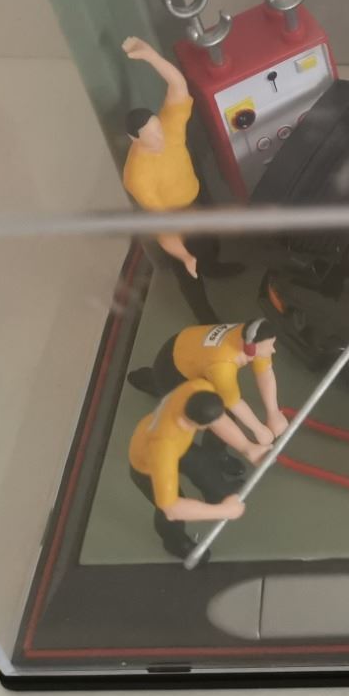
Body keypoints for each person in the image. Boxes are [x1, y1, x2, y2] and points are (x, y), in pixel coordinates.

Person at [120, 35, 238, 323]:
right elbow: (163, 229)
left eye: (158, 129)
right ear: (134, 140)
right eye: (151, 136)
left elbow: (178, 86)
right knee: (189, 273)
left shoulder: (168, 128)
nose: (160, 138)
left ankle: (213, 266)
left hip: (196, 196)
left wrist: (151, 56)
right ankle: (204, 315)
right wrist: (184, 255)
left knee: (209, 243)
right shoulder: (137, 176)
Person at [127, 380, 270, 560]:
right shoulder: (163, 446)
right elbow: (172, 508)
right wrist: (224, 511)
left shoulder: (198, 389)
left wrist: (248, 448)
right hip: (147, 465)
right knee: (169, 510)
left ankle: (218, 495)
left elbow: (218, 420)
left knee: (203, 464)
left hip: (180, 444)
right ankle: (175, 542)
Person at [127, 318, 289, 444]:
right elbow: (233, 402)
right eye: (270, 346)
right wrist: (259, 430)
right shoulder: (223, 364)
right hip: (173, 371)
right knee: (216, 410)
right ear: (250, 349)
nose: (273, 350)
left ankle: (150, 379)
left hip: (188, 348)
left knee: (165, 381)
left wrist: (273, 413)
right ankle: (214, 453)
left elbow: (265, 372)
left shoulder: (250, 335)